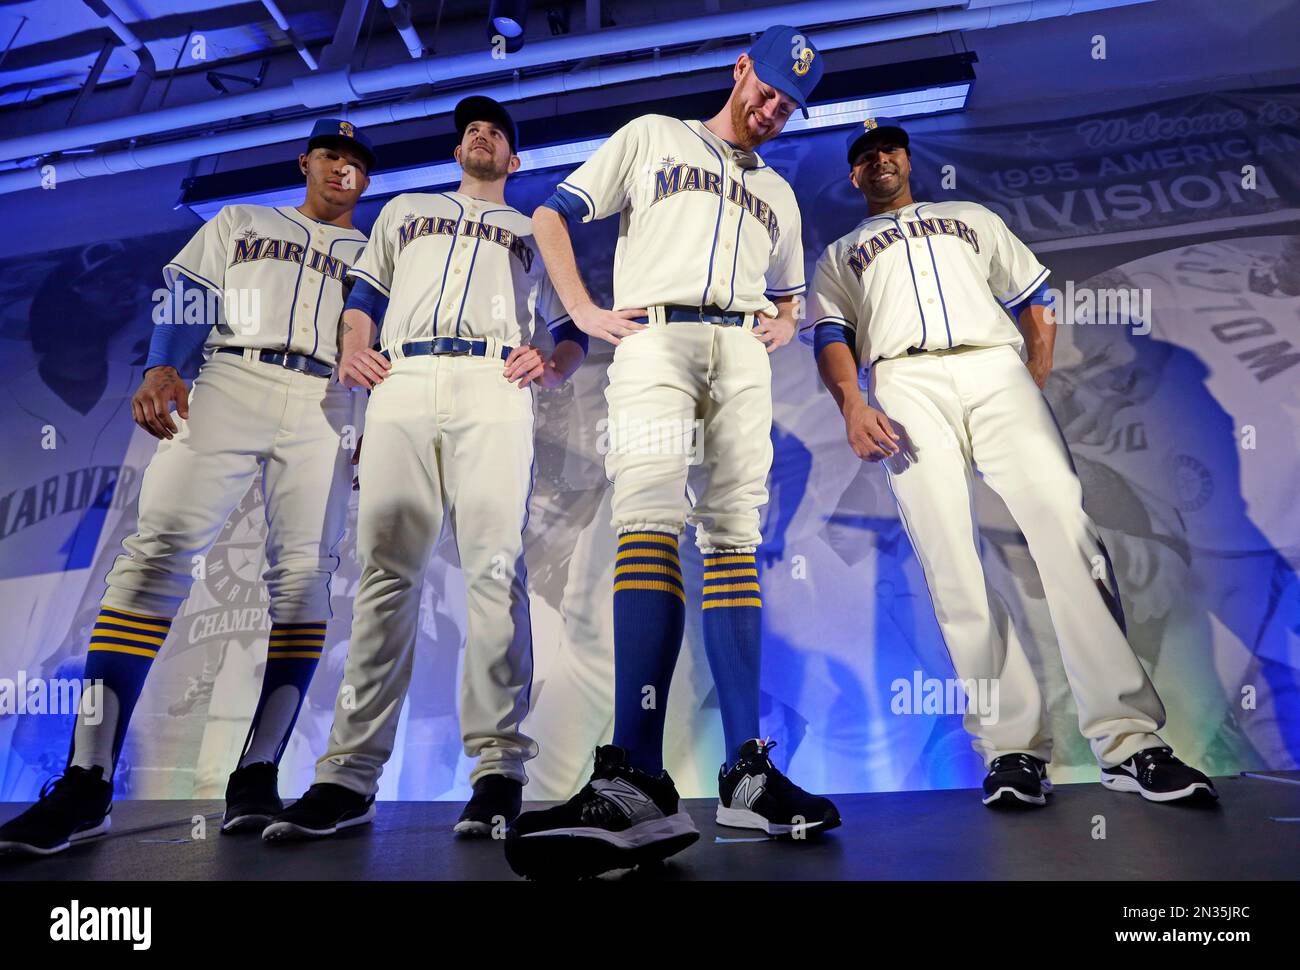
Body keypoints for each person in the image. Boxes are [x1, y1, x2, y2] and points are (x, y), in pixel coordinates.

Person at [506, 25, 840, 880]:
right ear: (740, 68)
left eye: (787, 105)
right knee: (649, 518)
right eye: (764, 90)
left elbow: (794, 296)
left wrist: (789, 320)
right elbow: (551, 213)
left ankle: (746, 776)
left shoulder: (783, 195)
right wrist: (580, 311)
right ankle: (637, 777)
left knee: (731, 537)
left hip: (739, 352)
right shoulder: (655, 134)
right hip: (655, 338)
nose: (771, 110)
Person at [809, 117, 1217, 807]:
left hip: (992, 365)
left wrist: (1035, 368)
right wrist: (852, 404)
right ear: (854, 176)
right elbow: (831, 333)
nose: (879, 160)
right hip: (904, 380)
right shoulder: (842, 250)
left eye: (889, 150)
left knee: (1064, 524)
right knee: (949, 558)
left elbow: (1033, 297)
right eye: (865, 157)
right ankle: (1011, 751)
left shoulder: (970, 217)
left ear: (908, 160)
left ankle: (1127, 741)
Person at [0, 120, 375, 856]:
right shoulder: (242, 220)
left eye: (359, 161)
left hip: (326, 401)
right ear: (306, 161)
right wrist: (163, 364)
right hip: (229, 375)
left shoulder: (375, 252)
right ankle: (86, 783)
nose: (345, 168)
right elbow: (189, 289)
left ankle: (257, 775)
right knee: (156, 557)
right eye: (332, 154)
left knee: (305, 579)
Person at [262, 97, 587, 841]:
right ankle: (347, 778)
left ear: (514, 160)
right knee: (384, 575)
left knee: (494, 570)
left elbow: (573, 332)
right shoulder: (405, 209)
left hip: (493, 381)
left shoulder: (532, 229)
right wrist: (350, 346)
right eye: (473, 126)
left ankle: (499, 774)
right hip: (402, 381)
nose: (483, 133)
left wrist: (555, 365)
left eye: (499, 130)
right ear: (458, 149)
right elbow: (365, 296)